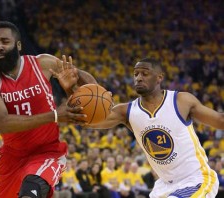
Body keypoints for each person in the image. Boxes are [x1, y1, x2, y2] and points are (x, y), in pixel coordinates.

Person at [0, 21, 96, 198]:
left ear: (18, 45)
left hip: (47, 152)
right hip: (11, 157)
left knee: (30, 193)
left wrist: (71, 89)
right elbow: (3, 123)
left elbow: (87, 84)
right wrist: (55, 115)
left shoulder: (43, 63)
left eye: (4, 42)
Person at [86, 58, 223, 197]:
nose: (139, 78)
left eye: (144, 74)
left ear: (159, 78)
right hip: (164, 186)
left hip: (196, 179)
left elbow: (220, 120)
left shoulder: (180, 101)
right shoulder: (127, 111)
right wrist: (72, 87)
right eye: (136, 74)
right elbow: (89, 120)